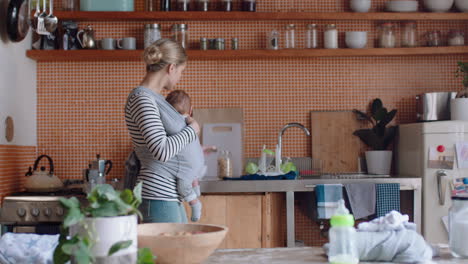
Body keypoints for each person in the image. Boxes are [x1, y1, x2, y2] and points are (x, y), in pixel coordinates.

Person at [125, 38, 201, 223]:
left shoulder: (154, 98)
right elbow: (162, 151)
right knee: (168, 252)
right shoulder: (142, 99)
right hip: (157, 195)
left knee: (179, 250)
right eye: (181, 71)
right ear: (171, 68)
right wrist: (193, 129)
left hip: (168, 195)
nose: (180, 77)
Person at [166, 89, 206, 222]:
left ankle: (195, 203)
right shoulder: (190, 122)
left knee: (183, 186)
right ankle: (196, 188)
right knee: (191, 174)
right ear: (191, 109)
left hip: (186, 165)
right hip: (198, 162)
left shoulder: (170, 124)